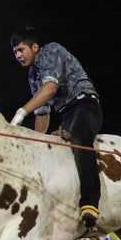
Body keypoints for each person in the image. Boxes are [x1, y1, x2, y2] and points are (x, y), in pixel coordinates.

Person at [10, 26, 102, 228]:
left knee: (79, 139)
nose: (17, 55)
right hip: (66, 115)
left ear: (35, 47)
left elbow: (50, 89)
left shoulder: (51, 51)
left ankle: (90, 202)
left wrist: (21, 113)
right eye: (14, 52)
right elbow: (42, 112)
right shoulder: (33, 75)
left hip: (85, 105)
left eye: (20, 49)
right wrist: (35, 143)